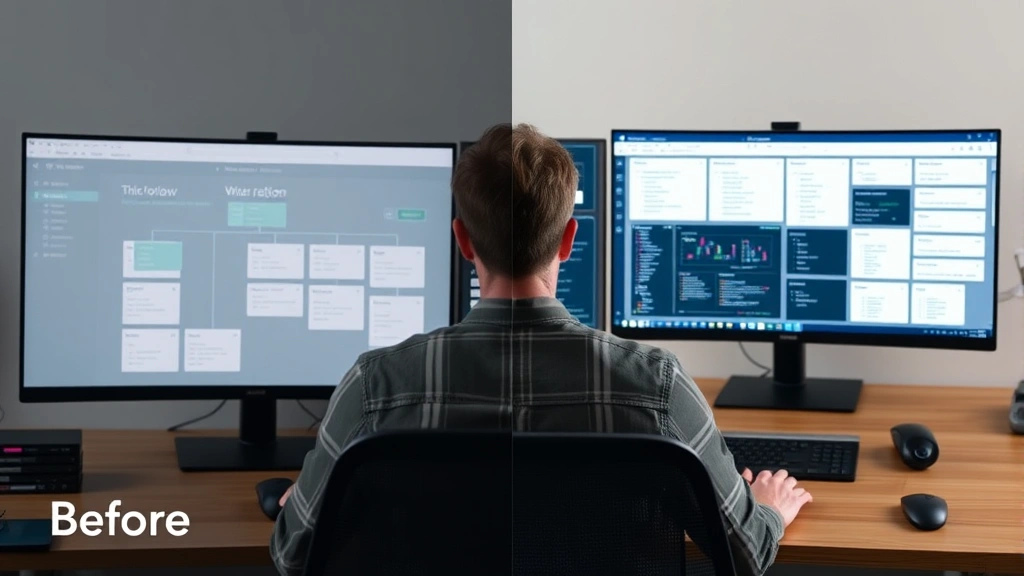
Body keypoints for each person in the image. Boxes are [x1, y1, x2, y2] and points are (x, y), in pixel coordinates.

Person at [270, 123, 812, 576]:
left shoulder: (375, 387)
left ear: (462, 240)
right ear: (569, 239)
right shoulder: (656, 387)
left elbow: (293, 555)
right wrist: (767, 510)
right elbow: (744, 555)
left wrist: (301, 503)